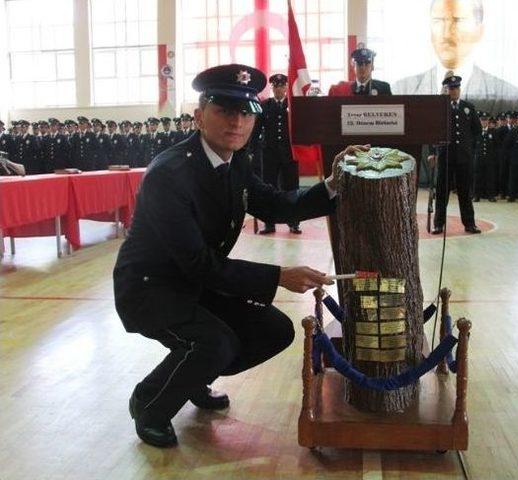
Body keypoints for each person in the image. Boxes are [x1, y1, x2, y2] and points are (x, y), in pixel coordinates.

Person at [113, 63, 366, 448]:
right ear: (199, 116)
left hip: (195, 284)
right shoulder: (169, 175)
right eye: (225, 110)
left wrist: (332, 183)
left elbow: (279, 205)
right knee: (216, 343)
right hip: (151, 290)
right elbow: (198, 262)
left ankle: (193, 376)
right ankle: (150, 403)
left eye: (245, 112)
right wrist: (278, 276)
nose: (237, 122)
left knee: (274, 330)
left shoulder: (236, 164)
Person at [393, 0, 518, 114]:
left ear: (479, 31)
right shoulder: (401, 89)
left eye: (458, 20)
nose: (446, 34)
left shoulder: (512, 97)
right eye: (438, 21)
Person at [430, 75, 481, 234]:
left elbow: (477, 131)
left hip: (464, 159)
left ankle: (469, 223)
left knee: (465, 193)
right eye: (451, 88)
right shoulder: (440, 109)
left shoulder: (468, 107)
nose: (454, 91)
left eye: (456, 88)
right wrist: (433, 153)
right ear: (446, 90)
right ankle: (438, 224)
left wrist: (469, 150)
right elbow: (433, 132)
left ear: (460, 89)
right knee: (442, 193)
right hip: (446, 157)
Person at [258, 73, 302, 234]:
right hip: (269, 155)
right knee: (269, 188)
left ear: (286, 87)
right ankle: (269, 223)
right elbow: (256, 131)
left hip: (289, 154)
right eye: (275, 86)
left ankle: (293, 221)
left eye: (282, 86)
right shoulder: (265, 105)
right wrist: (252, 152)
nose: (279, 89)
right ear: (272, 88)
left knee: (292, 189)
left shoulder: (293, 105)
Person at [328, 46, 392, 96]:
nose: (363, 67)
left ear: (372, 67)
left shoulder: (383, 88)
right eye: (359, 63)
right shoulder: (343, 91)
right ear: (354, 67)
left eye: (367, 63)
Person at [473, 111, 497, 202]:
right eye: (482, 120)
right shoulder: (476, 132)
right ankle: (476, 195)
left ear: (488, 121)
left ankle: (490, 195)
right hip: (479, 158)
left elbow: (496, 146)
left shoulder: (493, 132)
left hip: (490, 159)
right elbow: (472, 145)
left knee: (490, 177)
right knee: (477, 177)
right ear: (480, 121)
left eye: (486, 120)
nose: (484, 122)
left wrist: (494, 157)